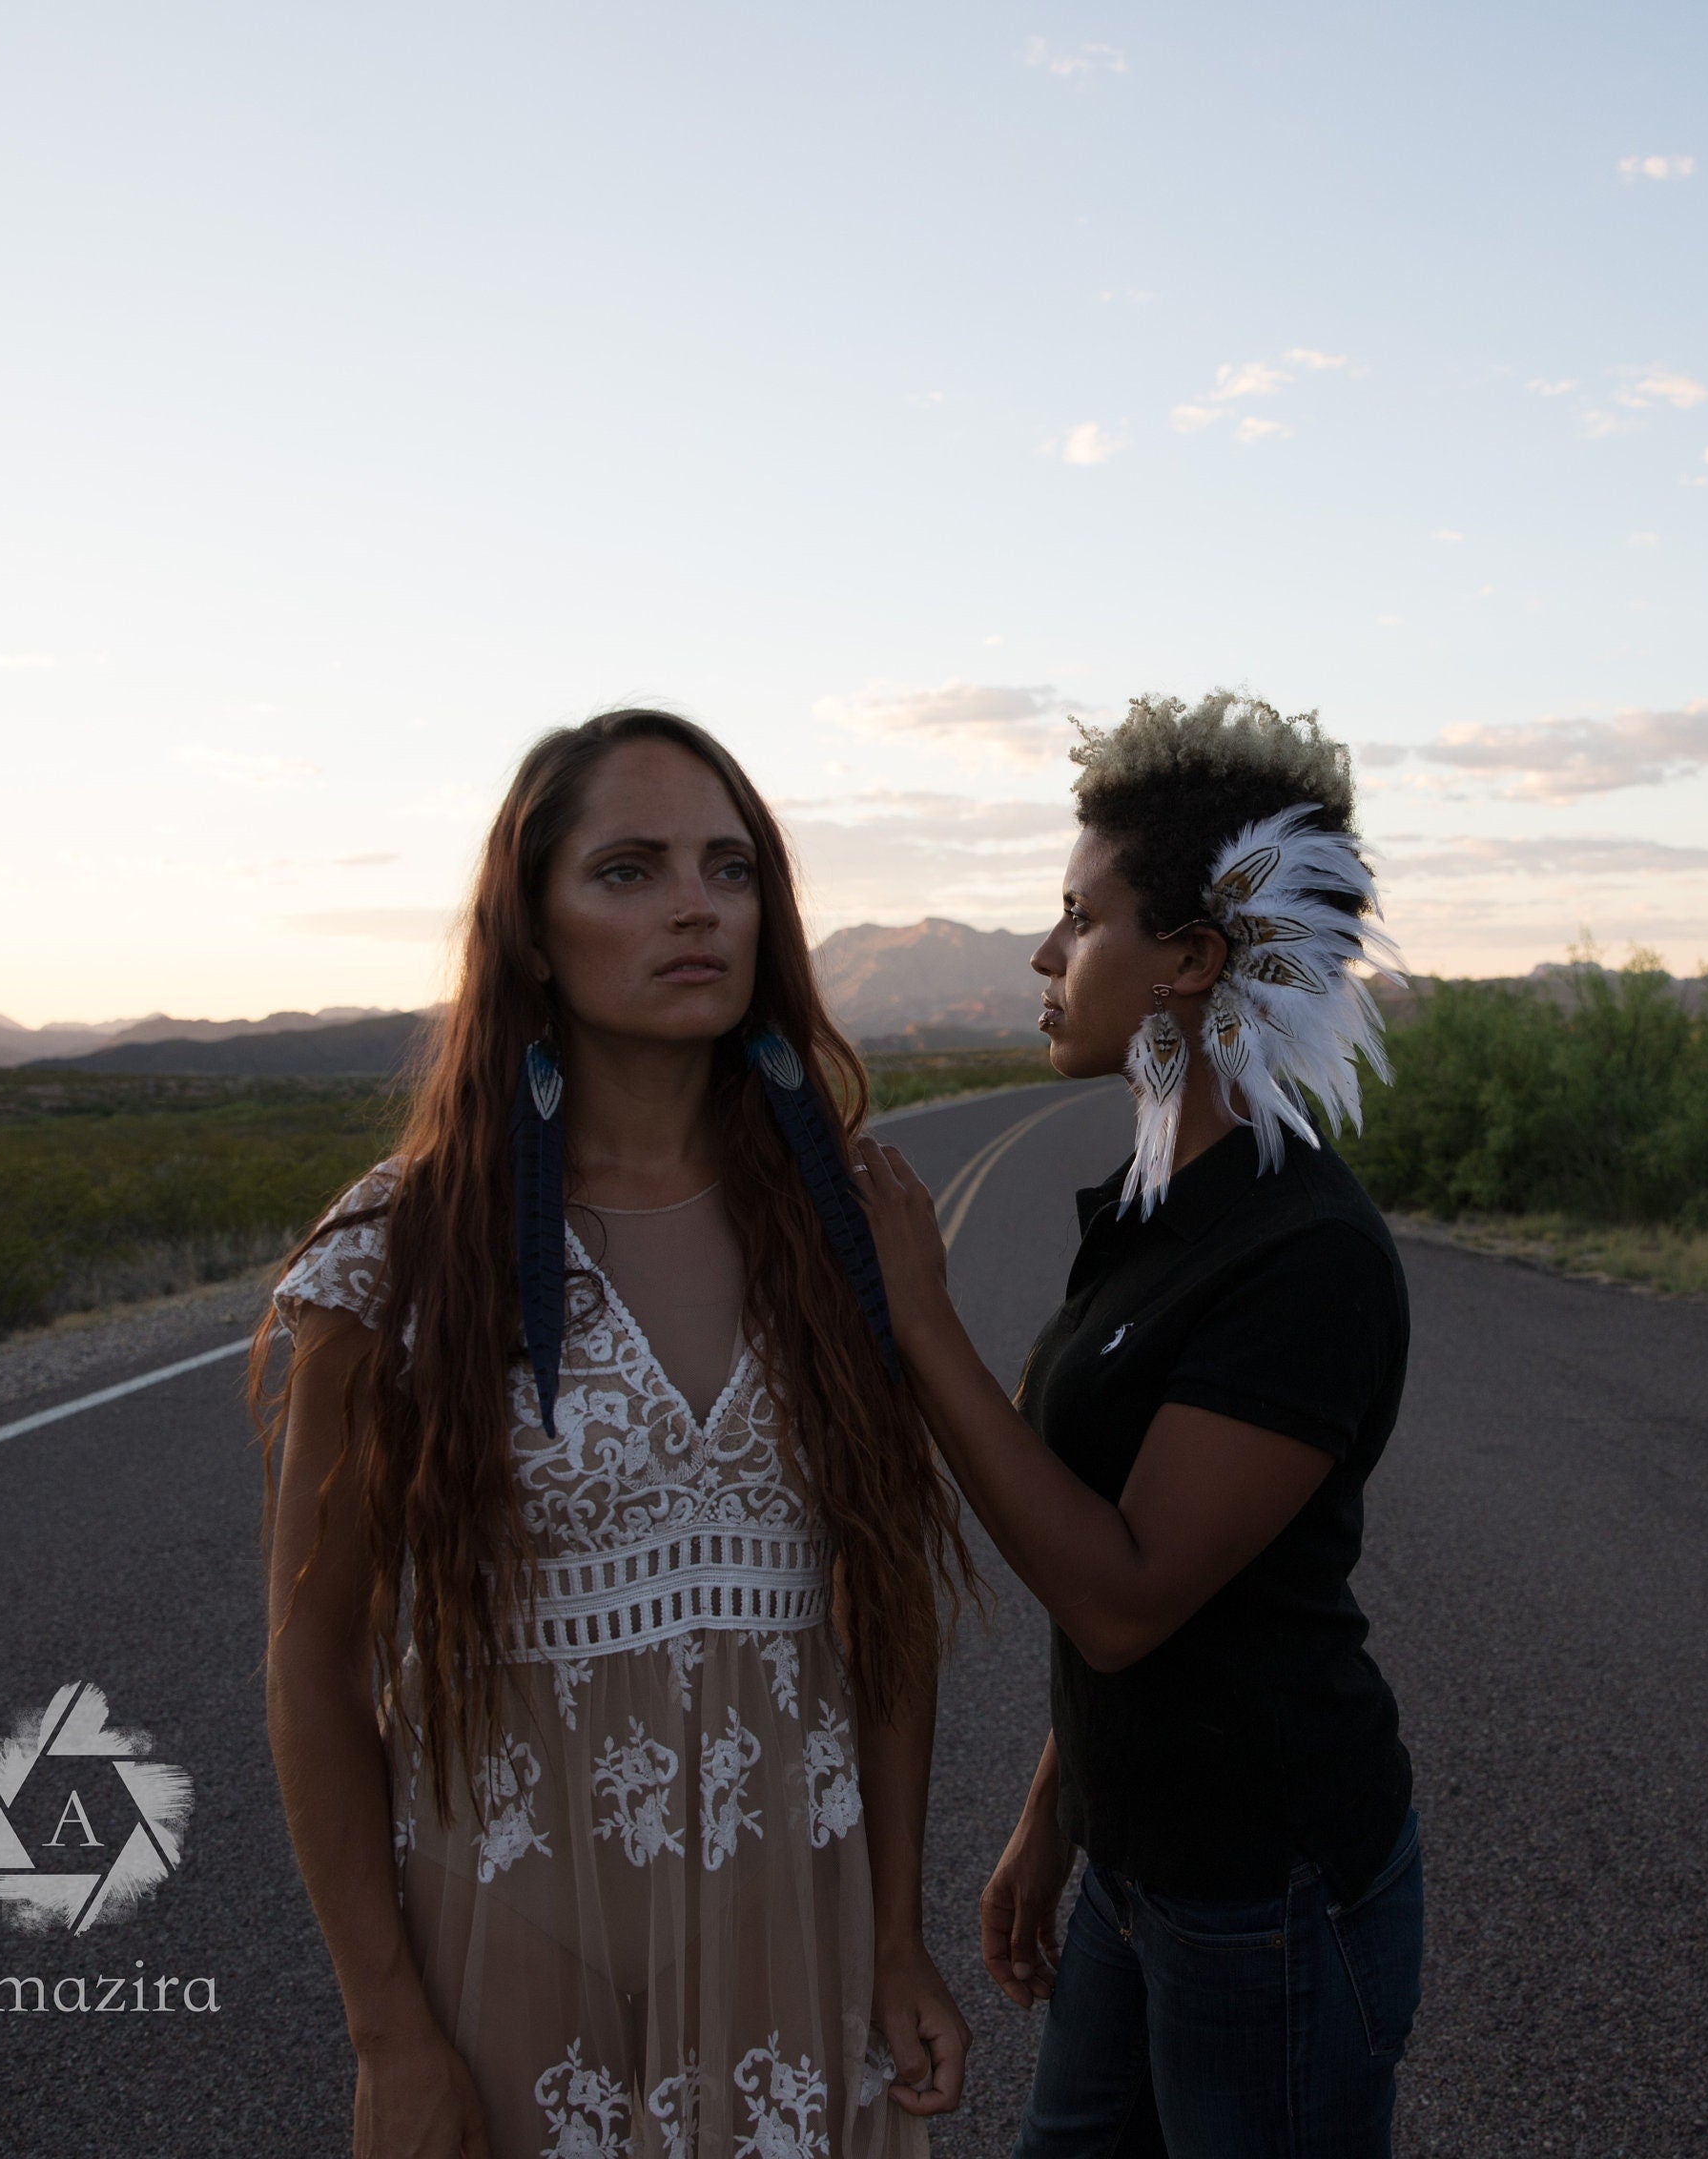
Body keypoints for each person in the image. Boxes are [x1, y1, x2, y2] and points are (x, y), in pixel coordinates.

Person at [255, 709, 973, 2159]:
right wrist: (389, 2031)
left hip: (794, 1923)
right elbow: (314, 1664)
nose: (697, 906)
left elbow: (886, 1609)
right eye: (630, 870)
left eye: (729, 868)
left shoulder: (840, 1230)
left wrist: (898, 1936)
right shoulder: (404, 1253)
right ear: (531, 931)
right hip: (510, 1939)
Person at [850, 690, 1424, 2158]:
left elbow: (1122, 1598)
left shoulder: (1305, 1255)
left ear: (1189, 959)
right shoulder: (1162, 1207)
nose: (1045, 957)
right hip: (1136, 1860)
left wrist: (922, 1321)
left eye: (1078, 918)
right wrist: (1058, 1820)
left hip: (1269, 1889)